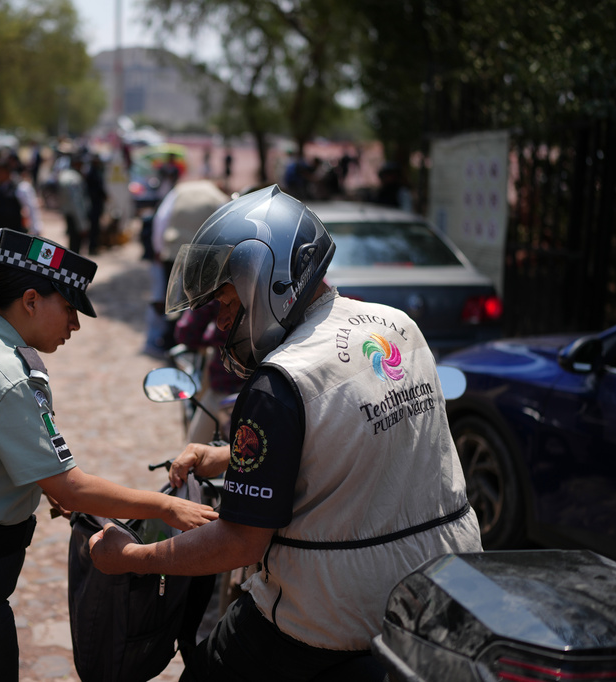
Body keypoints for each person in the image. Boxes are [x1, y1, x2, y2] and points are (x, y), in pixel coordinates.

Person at [89, 185, 483, 681]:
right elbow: (347, 436)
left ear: (268, 279)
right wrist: (227, 457)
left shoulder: (279, 381)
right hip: (442, 585)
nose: (221, 320)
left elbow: (240, 544)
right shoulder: (397, 326)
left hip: (336, 612)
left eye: (227, 301)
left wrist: (133, 558)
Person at [0, 228, 217, 680]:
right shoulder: (4, 374)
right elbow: (72, 485)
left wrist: (42, 485)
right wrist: (167, 505)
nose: (75, 324)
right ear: (30, 301)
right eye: (68, 308)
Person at [143, 179, 229, 359]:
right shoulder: (217, 196)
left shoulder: (179, 191)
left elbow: (162, 218)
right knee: (194, 300)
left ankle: (169, 340)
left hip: (173, 251)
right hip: (203, 256)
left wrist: (159, 248)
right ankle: (187, 341)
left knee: (172, 300)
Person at [173, 299, 246, 445]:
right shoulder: (272, 290)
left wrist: (213, 337)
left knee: (194, 450)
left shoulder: (218, 292)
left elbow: (186, 333)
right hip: (263, 388)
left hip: (224, 387)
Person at [57, 153, 90, 254]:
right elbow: (76, 202)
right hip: (75, 214)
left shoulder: (64, 174)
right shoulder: (74, 178)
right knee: (76, 244)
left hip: (68, 212)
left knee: (72, 240)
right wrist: (82, 225)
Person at [83, 153, 107, 255]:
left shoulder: (95, 171)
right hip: (93, 204)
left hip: (96, 203)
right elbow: (97, 188)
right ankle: (92, 247)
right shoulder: (92, 172)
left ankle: (94, 246)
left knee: (95, 226)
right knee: (94, 227)